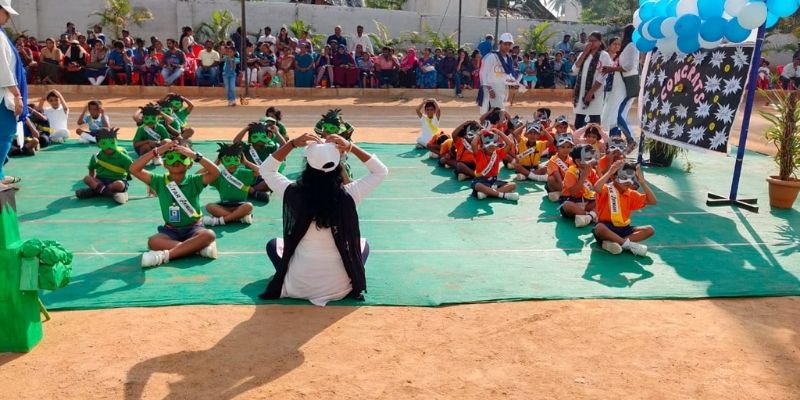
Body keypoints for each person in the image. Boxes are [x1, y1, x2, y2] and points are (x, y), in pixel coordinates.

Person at [257, 132, 388, 305]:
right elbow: (380, 171)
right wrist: (351, 147)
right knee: (363, 245)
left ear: (308, 165)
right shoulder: (350, 193)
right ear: (337, 166)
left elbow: (266, 169)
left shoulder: (292, 192)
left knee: (273, 245)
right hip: (339, 289)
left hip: (297, 286)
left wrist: (292, 144)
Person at [130, 141, 220, 268]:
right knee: (153, 241)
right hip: (170, 230)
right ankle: (197, 249)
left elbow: (216, 172)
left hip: (194, 228)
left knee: (209, 234)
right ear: (165, 164)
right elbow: (133, 169)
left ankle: (163, 257)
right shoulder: (159, 181)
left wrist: (194, 155)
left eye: (183, 157)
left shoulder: (195, 181)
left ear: (190, 164)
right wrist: (157, 151)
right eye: (171, 157)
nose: (176, 161)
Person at [592, 161, 656, 256]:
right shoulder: (607, 189)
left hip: (625, 229)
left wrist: (642, 182)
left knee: (649, 230)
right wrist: (610, 172)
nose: (628, 181)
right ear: (613, 177)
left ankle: (616, 243)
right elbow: (596, 188)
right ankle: (628, 245)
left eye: (631, 178)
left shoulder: (631, 193)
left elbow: (652, 201)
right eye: (623, 177)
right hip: (607, 228)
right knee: (599, 228)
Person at [601, 25, 639, 153]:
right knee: (613, 115)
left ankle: (630, 140)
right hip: (619, 85)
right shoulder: (627, 47)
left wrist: (611, 69)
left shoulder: (631, 46)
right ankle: (615, 144)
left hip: (624, 85)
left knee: (617, 115)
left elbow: (628, 67)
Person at [202, 142, 259, 226]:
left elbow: (261, 172)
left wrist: (246, 162)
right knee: (209, 206)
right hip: (224, 206)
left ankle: (219, 221)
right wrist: (214, 164)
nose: (232, 164)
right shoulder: (218, 175)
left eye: (236, 160)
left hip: (240, 205)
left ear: (240, 160)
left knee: (249, 206)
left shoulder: (244, 173)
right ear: (221, 161)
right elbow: (199, 176)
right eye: (228, 160)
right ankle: (239, 218)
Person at [74, 127, 131, 204]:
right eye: (104, 143)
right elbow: (91, 169)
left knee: (119, 184)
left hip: (117, 179)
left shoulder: (122, 156)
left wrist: (94, 186)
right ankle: (112, 195)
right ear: (98, 144)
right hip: (101, 180)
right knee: (87, 179)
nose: (109, 147)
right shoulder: (96, 157)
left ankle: (95, 191)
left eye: (112, 143)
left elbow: (132, 168)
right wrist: (93, 182)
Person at [233, 120, 284, 202]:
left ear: (267, 137)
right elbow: (235, 142)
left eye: (263, 137)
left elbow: (284, 147)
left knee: (274, 180)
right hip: (250, 176)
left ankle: (249, 191)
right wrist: (246, 129)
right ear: (250, 138)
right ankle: (256, 192)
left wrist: (277, 132)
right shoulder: (247, 148)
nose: (259, 140)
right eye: (255, 137)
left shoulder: (270, 148)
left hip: (264, 179)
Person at [572, 31, 612, 129]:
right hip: (581, 91)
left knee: (594, 119)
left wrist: (590, 93)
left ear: (600, 42)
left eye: (593, 41)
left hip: (595, 92)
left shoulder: (604, 55)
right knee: (579, 120)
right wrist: (585, 52)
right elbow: (574, 69)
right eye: (589, 41)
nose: (590, 43)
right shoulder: (582, 54)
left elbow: (602, 76)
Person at [471, 129, 519, 201]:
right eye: (487, 143)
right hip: (481, 181)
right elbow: (473, 144)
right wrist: (479, 134)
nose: (491, 145)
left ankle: (486, 193)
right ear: (483, 145)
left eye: (494, 143)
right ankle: (504, 195)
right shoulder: (479, 154)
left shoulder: (498, 153)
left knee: (513, 185)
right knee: (478, 186)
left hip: (494, 181)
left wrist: (499, 132)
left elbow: (509, 144)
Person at [559, 144, 599, 228]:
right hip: (572, 201)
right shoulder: (571, 171)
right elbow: (573, 193)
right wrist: (584, 176)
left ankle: (587, 217)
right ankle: (591, 216)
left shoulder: (592, 171)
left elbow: (598, 188)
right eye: (588, 159)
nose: (592, 161)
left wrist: (598, 170)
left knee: (603, 200)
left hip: (587, 202)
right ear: (578, 161)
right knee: (567, 205)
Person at [477, 33, 516, 114]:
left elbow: (507, 74)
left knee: (500, 112)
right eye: (505, 44)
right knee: (487, 111)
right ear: (500, 43)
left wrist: (512, 81)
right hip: (490, 90)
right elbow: (483, 74)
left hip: (502, 89)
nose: (507, 46)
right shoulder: (491, 57)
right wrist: (490, 89)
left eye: (509, 44)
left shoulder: (509, 59)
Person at [546, 133, 575, 202]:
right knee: (551, 179)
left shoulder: (572, 160)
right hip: (558, 183)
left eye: (568, 147)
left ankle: (562, 194)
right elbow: (557, 176)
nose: (566, 150)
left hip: (568, 184)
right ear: (556, 148)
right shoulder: (553, 159)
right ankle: (562, 193)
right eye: (562, 147)